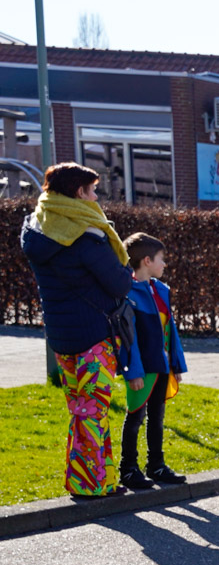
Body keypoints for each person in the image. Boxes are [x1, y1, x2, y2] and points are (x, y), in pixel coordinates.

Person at [20, 161, 134, 498]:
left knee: (82, 409)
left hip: (61, 336)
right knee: (93, 411)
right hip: (94, 335)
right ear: (78, 193)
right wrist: (125, 269)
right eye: (93, 190)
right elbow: (119, 283)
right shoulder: (86, 236)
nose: (96, 197)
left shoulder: (36, 230)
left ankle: (101, 479)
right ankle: (90, 484)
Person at [116, 231, 188, 490]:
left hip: (162, 366)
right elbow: (128, 338)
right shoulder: (127, 292)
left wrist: (176, 364)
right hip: (142, 369)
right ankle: (128, 469)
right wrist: (133, 371)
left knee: (157, 417)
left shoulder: (161, 291)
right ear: (147, 261)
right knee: (135, 416)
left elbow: (171, 330)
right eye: (161, 258)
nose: (164, 264)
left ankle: (156, 465)